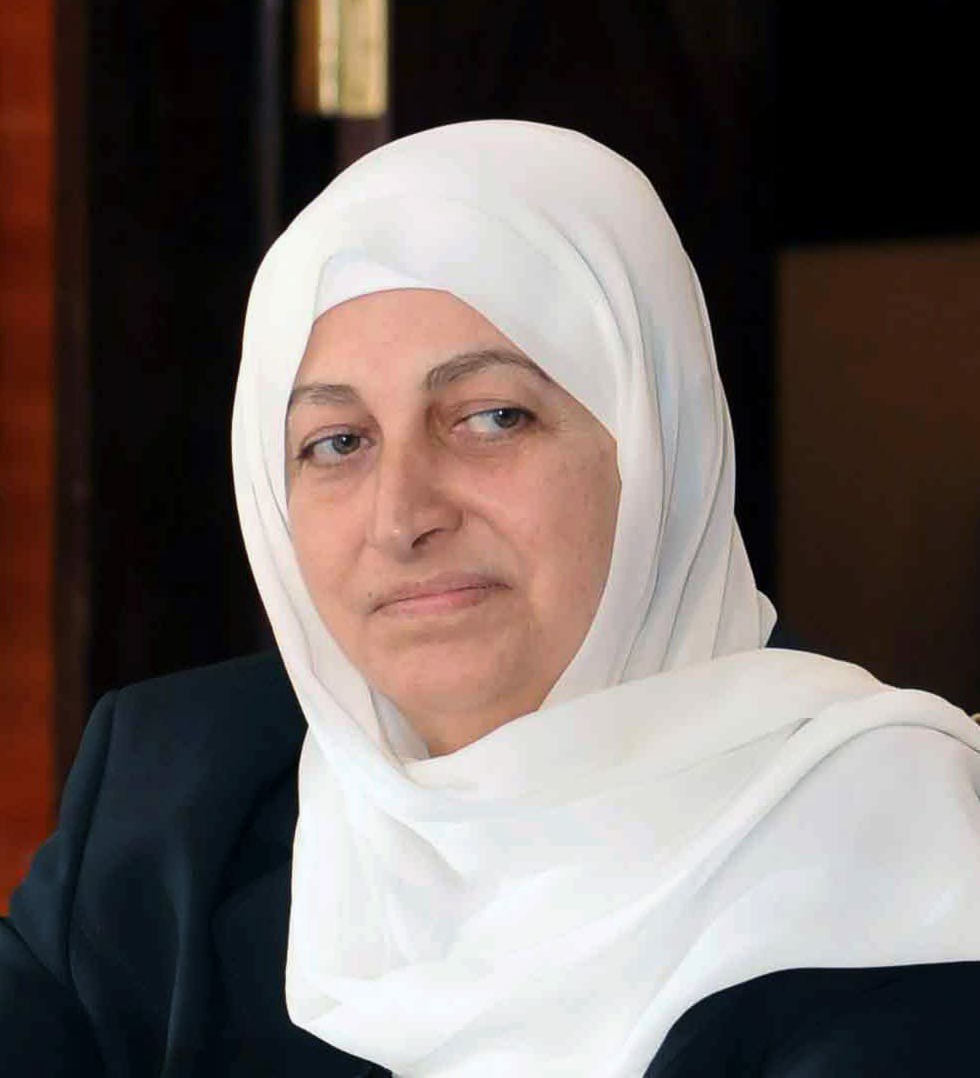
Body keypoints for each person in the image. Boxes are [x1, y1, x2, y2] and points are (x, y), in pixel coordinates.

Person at [3, 120, 980, 1077]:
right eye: (337, 442)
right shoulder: (179, 799)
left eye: (492, 417)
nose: (402, 516)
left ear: (655, 445)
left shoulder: (891, 861)